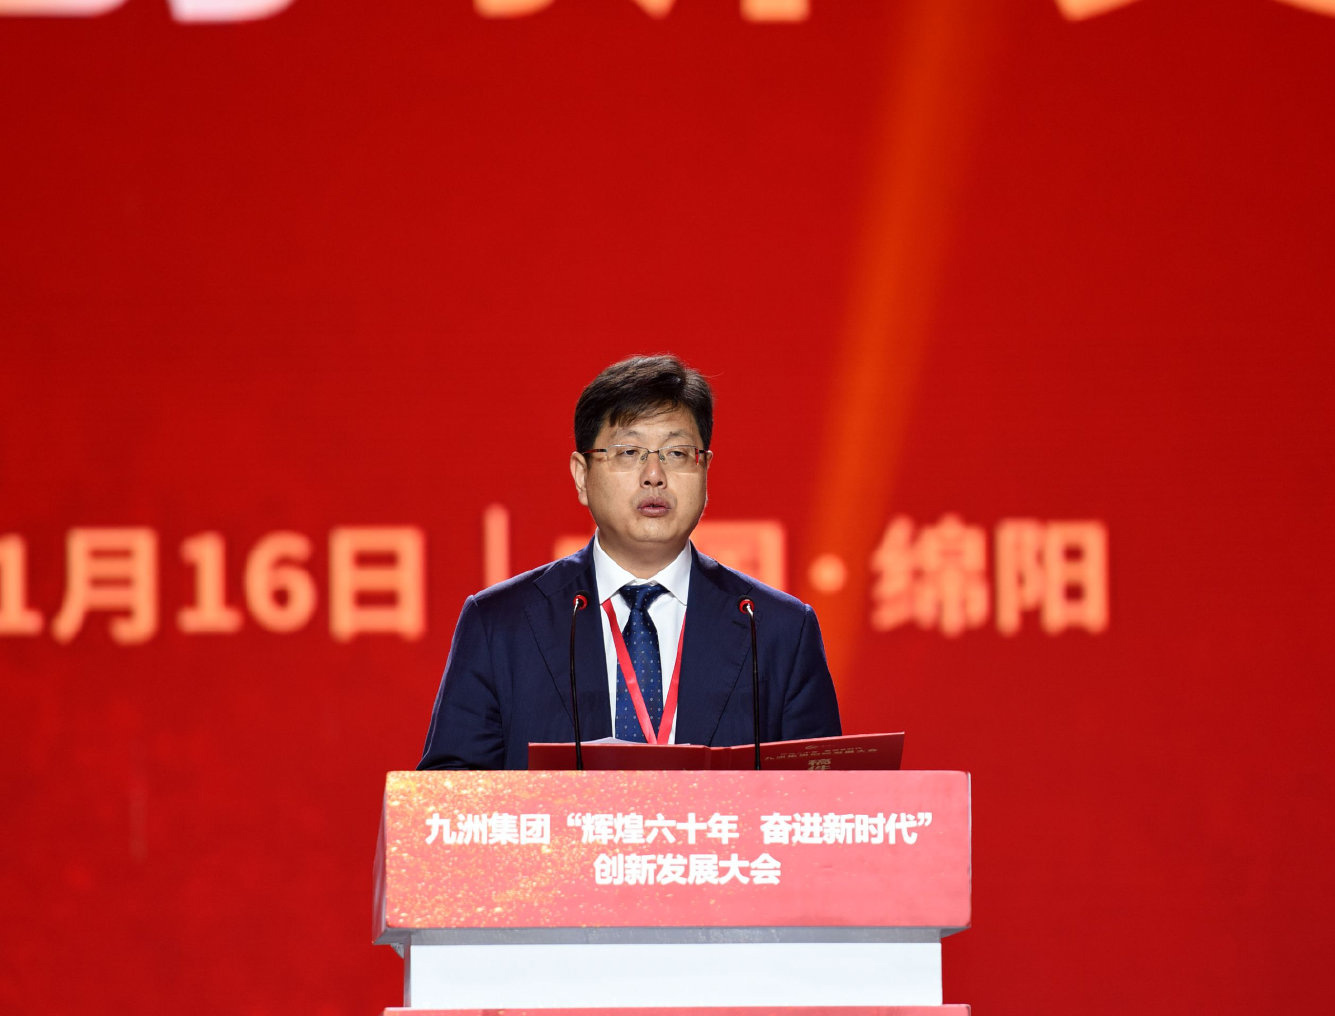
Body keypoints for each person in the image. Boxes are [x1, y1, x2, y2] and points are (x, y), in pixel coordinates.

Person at [418, 354, 841, 769]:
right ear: (582, 475)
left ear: (705, 469)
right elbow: (447, 797)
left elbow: (828, 799)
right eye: (628, 452)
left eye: (677, 453)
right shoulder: (501, 624)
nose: (654, 474)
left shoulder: (778, 630)